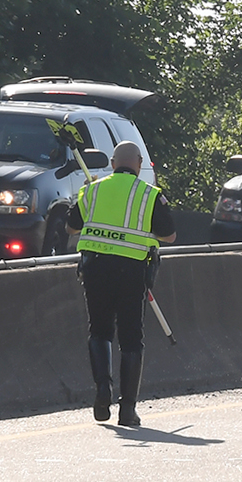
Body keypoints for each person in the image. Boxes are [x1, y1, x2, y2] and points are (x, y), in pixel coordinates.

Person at [67, 142, 176, 428]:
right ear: (139, 164)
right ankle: (127, 409)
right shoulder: (149, 195)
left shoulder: (92, 190)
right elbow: (170, 235)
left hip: (95, 267)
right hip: (132, 269)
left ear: (113, 163)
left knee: (99, 331)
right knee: (131, 337)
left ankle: (103, 388)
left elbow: (71, 226)